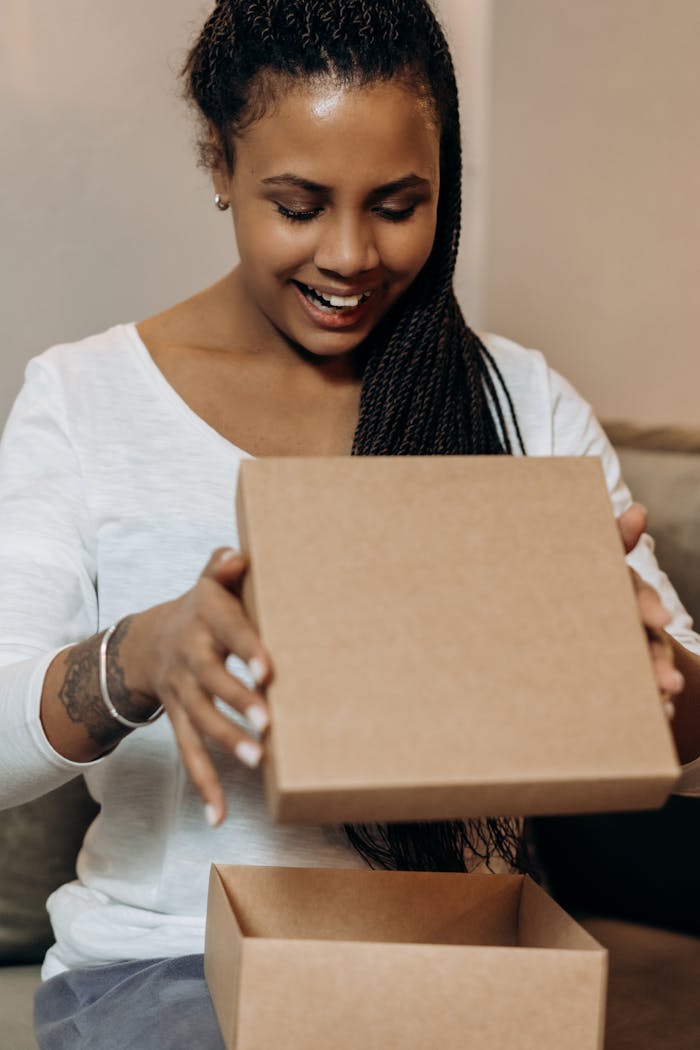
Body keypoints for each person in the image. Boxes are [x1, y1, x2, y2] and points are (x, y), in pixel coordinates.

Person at [1, 1, 698, 1046]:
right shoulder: (86, 397)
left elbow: (680, 717)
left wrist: (635, 669)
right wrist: (135, 658)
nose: (350, 255)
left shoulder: (514, 398)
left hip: (458, 959)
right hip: (166, 967)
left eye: (398, 203)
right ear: (218, 162)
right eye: (297, 204)